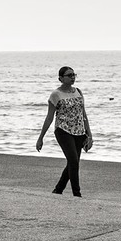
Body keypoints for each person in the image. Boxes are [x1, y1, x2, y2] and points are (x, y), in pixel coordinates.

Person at [37, 65, 93, 197]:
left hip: (79, 132)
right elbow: (49, 117)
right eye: (69, 75)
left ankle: (58, 190)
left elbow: (83, 114)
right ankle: (77, 194)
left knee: (73, 163)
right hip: (63, 130)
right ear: (61, 78)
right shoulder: (56, 94)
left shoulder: (78, 91)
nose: (72, 77)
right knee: (73, 161)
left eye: (74, 75)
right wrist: (41, 138)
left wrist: (89, 134)